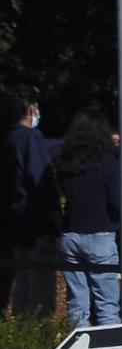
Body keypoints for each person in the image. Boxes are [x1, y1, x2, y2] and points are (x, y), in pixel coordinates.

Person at [56, 109, 122, 326]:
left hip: (70, 235)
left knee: (77, 304)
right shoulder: (107, 163)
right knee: (107, 307)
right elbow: (117, 201)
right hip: (100, 235)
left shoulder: (67, 163)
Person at [0, 85, 61, 317]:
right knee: (40, 290)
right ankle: (40, 339)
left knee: (23, 285)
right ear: (30, 107)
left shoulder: (10, 138)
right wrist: (54, 220)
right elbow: (40, 179)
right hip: (37, 227)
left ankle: (23, 337)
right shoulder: (30, 137)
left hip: (16, 224)